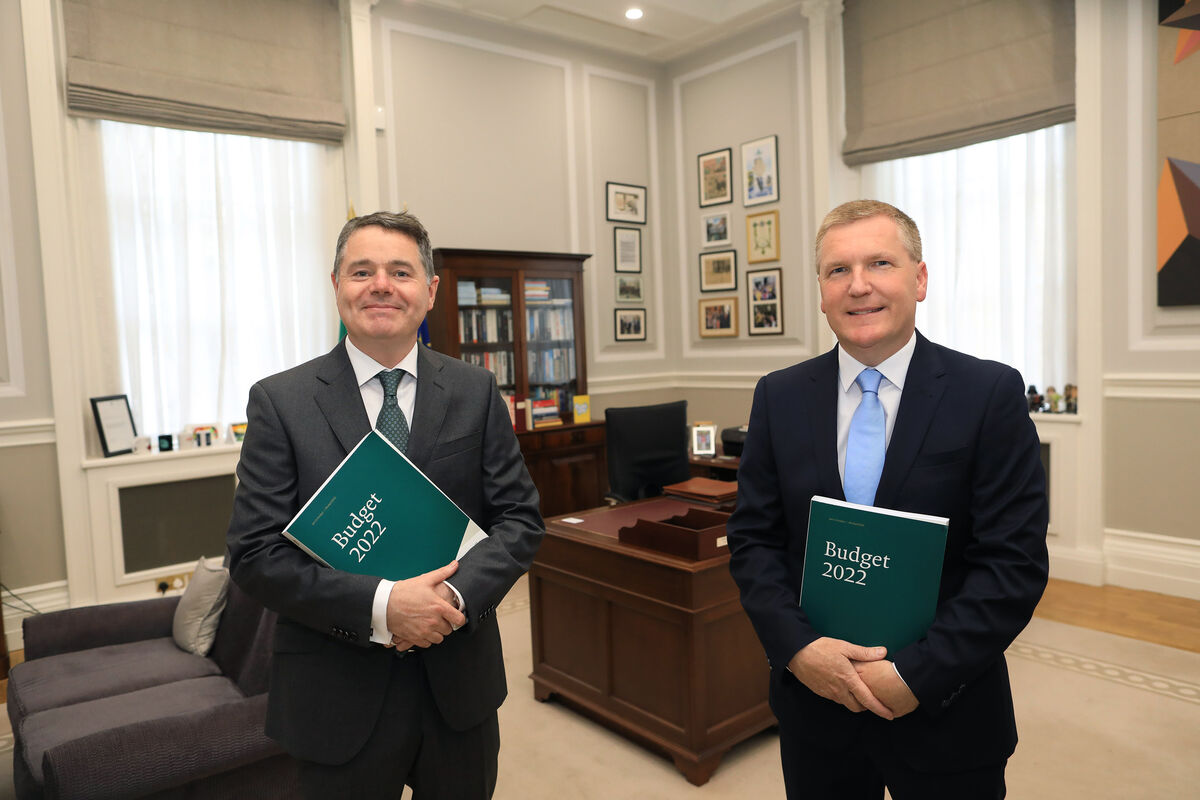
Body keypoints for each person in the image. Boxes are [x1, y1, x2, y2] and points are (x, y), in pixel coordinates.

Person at [726, 200, 1048, 799]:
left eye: (880, 263)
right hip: (815, 713)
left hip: (948, 716)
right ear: (820, 291)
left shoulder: (989, 394)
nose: (860, 286)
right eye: (837, 270)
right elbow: (753, 545)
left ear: (919, 279)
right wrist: (798, 651)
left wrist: (915, 676)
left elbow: (1012, 567)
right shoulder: (779, 397)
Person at [226, 210, 544, 799]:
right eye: (361, 271)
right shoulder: (280, 401)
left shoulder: (475, 390)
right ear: (337, 286)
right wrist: (383, 605)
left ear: (429, 291)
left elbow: (520, 520)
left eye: (400, 271)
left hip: (459, 686)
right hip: (334, 693)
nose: (380, 285)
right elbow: (253, 555)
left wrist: (449, 597)